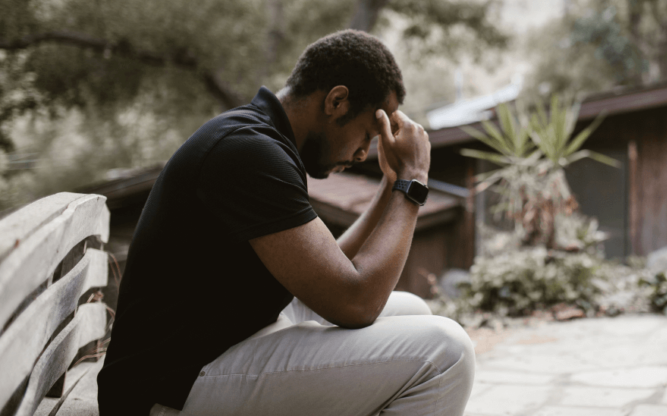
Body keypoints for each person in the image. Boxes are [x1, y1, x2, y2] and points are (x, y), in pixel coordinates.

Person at [97, 30, 475, 415]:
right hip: (164, 391)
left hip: (216, 350)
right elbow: (354, 302)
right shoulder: (248, 151)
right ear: (337, 101)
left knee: (412, 310)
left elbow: (331, 275)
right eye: (367, 132)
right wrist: (414, 183)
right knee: (446, 351)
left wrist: (393, 184)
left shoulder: (263, 138)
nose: (364, 152)